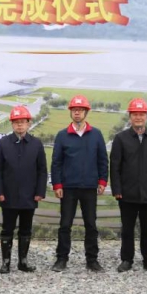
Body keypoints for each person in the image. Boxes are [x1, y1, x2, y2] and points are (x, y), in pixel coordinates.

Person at [50, 94, 108, 272]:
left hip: (89, 187)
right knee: (65, 225)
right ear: (70, 112)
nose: (77, 113)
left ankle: (92, 260)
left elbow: (102, 160)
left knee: (91, 225)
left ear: (86, 112)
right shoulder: (62, 136)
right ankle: (61, 259)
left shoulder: (96, 134)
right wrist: (57, 184)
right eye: (74, 110)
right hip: (68, 188)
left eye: (80, 110)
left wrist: (102, 181)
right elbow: (56, 162)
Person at [110, 98, 147, 273]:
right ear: (130, 116)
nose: (138, 117)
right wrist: (117, 189)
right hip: (127, 193)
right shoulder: (121, 139)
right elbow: (115, 167)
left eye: (141, 114)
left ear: (146, 117)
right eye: (135, 114)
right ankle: (126, 259)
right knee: (127, 230)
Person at [0, 105, 47, 274]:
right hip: (8, 196)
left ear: (28, 123)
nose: (20, 125)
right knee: (7, 229)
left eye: (23, 122)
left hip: (29, 196)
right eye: (16, 122)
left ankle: (23, 262)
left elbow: (42, 170)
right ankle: (6, 263)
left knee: (26, 229)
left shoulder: (36, 144)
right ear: (12, 124)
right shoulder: (3, 143)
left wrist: (40, 192)